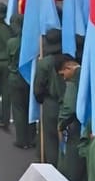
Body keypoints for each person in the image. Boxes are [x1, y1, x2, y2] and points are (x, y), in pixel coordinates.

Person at [32, 28, 64, 162]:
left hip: (51, 103)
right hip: (67, 103)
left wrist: (40, 99)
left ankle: (52, 167)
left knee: (50, 138)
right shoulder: (69, 59)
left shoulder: (44, 62)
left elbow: (38, 87)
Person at [6, 15, 34, 149]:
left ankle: (21, 139)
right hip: (29, 78)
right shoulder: (32, 42)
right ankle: (32, 138)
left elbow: (8, 59)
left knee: (18, 109)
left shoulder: (11, 42)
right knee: (30, 108)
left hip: (15, 78)